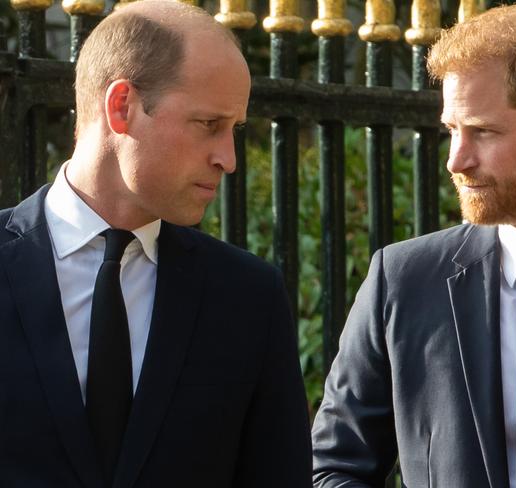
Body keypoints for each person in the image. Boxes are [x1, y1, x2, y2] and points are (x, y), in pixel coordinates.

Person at [312, 4, 516, 488]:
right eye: (452, 130)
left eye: (483, 132)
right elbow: (332, 468)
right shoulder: (403, 280)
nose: (456, 161)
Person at [0, 1, 311, 487]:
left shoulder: (249, 298)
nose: (229, 159)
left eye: (236, 130)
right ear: (121, 106)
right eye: (209, 125)